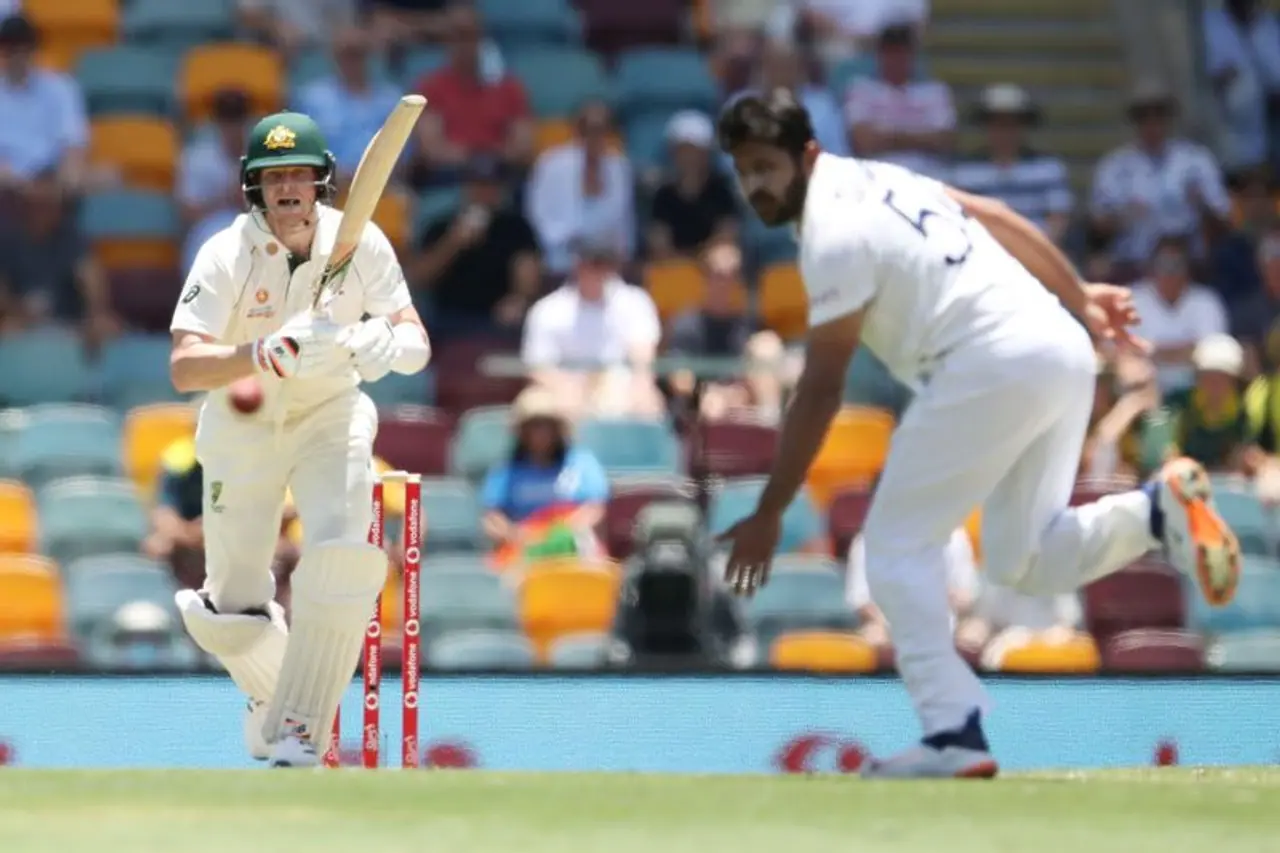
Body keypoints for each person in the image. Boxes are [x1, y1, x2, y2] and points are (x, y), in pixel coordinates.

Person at [713, 90, 1241, 779]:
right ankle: (1157, 512)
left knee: (893, 547)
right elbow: (990, 214)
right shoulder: (884, 177)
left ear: (807, 156)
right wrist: (1078, 294)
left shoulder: (831, 234)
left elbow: (820, 388)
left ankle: (952, 731)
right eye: (744, 170)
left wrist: (771, 509)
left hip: (986, 362)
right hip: (1057, 345)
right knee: (1025, 559)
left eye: (767, 166)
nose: (755, 184)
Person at [168, 110, 431, 768]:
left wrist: (382, 342)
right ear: (253, 186)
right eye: (273, 176)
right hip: (244, 424)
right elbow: (185, 367)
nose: (287, 187)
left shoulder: (361, 241)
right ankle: (277, 700)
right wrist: (261, 352)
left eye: (299, 175)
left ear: (321, 182)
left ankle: (300, 728)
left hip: (330, 412)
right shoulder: (225, 252)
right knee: (225, 613)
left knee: (342, 556)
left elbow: (416, 339)